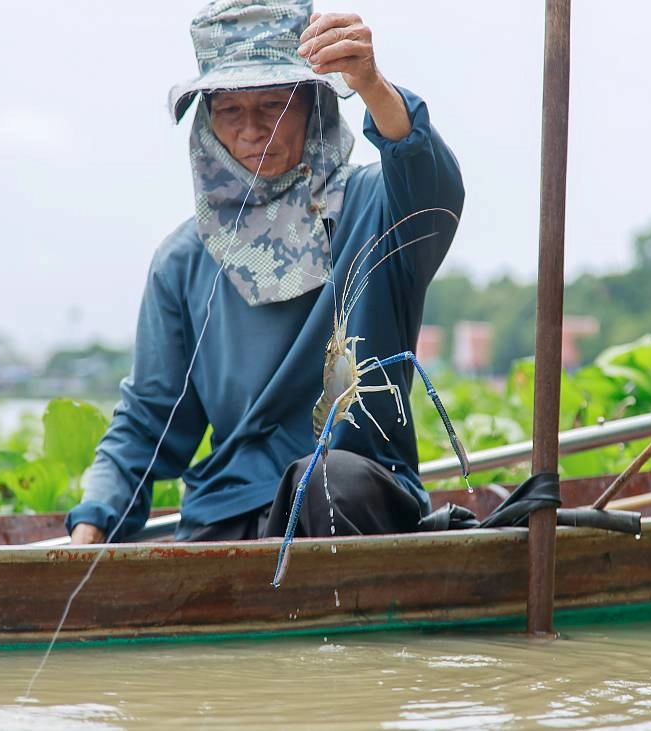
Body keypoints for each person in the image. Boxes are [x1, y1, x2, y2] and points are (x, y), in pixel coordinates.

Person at [67, 0, 465, 545]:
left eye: (275, 105)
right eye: (231, 111)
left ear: (314, 107)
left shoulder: (373, 205)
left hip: (350, 499)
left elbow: (432, 188)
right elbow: (148, 420)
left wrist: (371, 84)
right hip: (225, 512)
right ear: (208, 122)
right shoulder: (181, 259)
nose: (254, 130)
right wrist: (92, 521)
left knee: (326, 478)